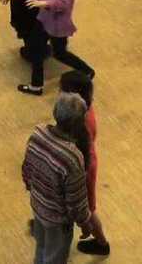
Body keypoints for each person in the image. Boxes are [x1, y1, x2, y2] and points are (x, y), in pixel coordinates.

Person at [0, 0, 95, 96]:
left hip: (57, 21)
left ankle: (86, 71)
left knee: (59, 53)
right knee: (36, 48)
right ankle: (37, 86)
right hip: (44, 18)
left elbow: (64, 2)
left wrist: (41, 3)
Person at [22, 93, 92, 263]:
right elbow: (75, 201)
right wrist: (84, 223)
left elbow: (26, 169)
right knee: (54, 257)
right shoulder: (72, 157)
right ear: (77, 124)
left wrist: (34, 189)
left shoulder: (37, 133)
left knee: (42, 247)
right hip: (58, 220)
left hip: (37, 206)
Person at [59, 71, 110, 256]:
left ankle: (101, 243)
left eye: (63, 90)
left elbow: (77, 151)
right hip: (87, 161)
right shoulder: (85, 108)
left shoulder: (80, 121)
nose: (60, 93)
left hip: (84, 168)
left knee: (88, 209)